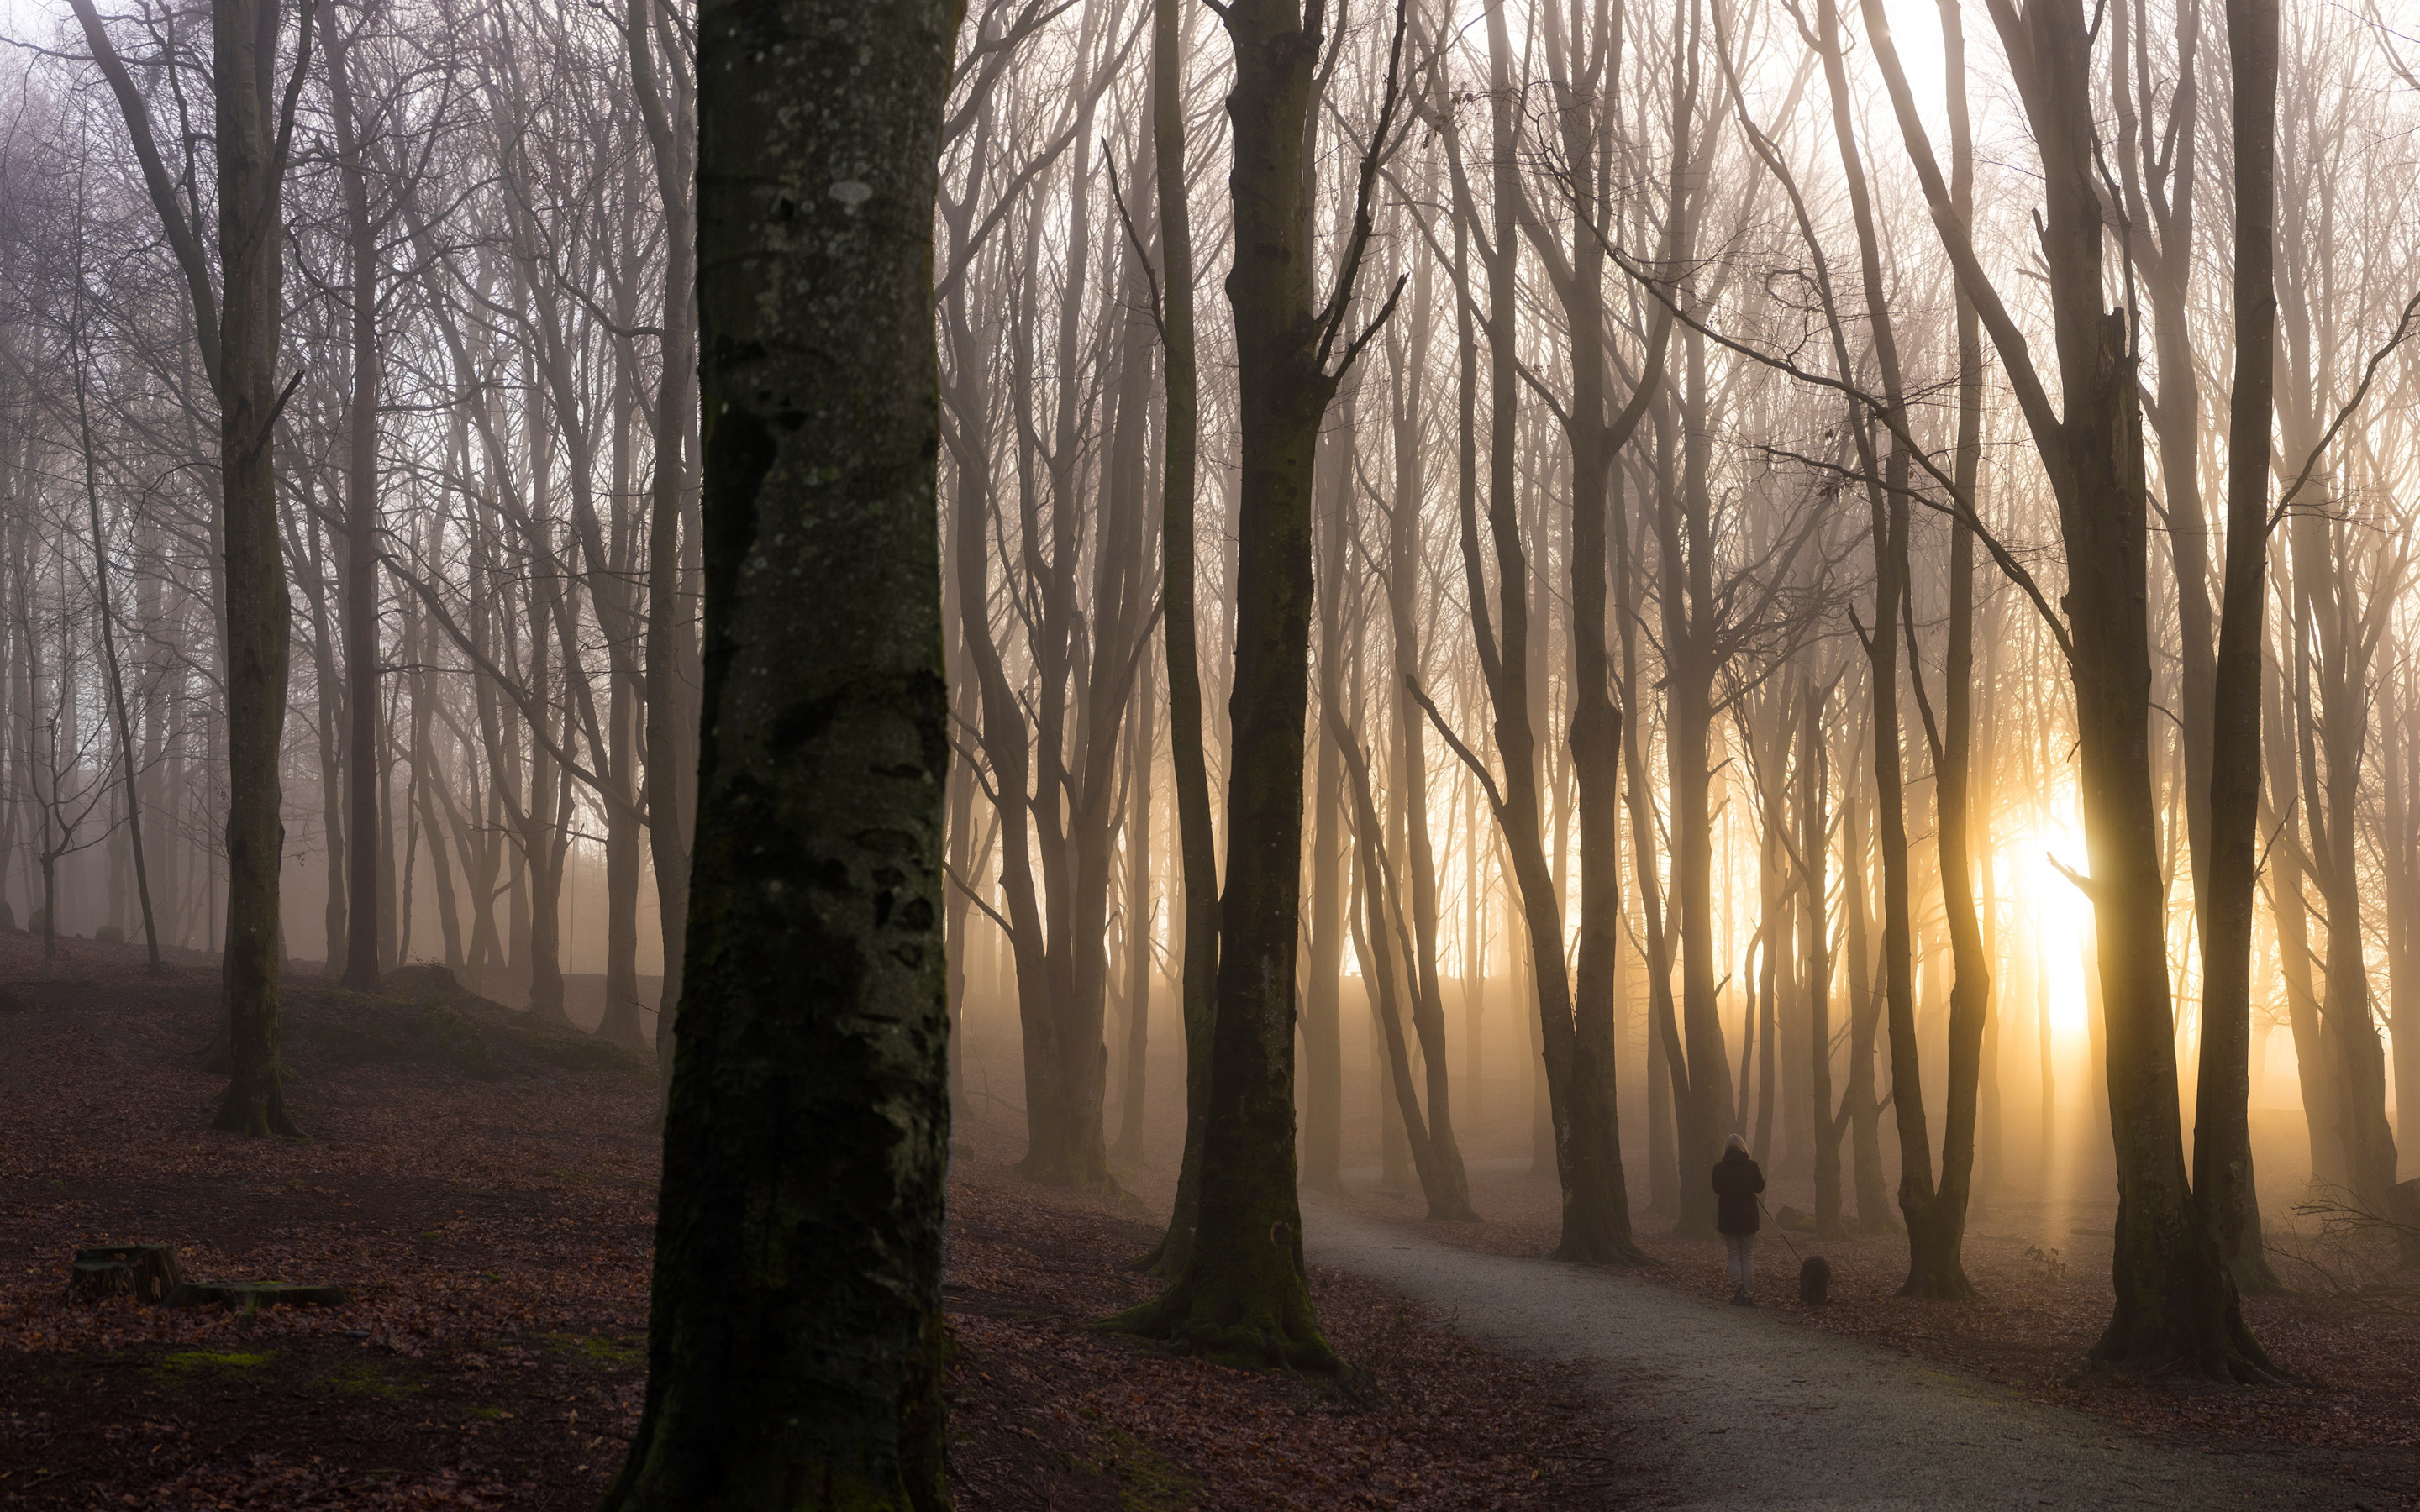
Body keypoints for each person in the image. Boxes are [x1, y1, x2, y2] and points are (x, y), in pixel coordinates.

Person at [1712, 1133, 1766, 1306]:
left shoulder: (1719, 1168)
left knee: (1734, 1256)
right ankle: (1749, 1295)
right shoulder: (1752, 1166)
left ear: (1726, 1149)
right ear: (1743, 1147)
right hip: (1748, 1217)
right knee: (1748, 1256)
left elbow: (1716, 1189)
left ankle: (1738, 1293)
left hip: (1728, 1217)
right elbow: (1759, 1187)